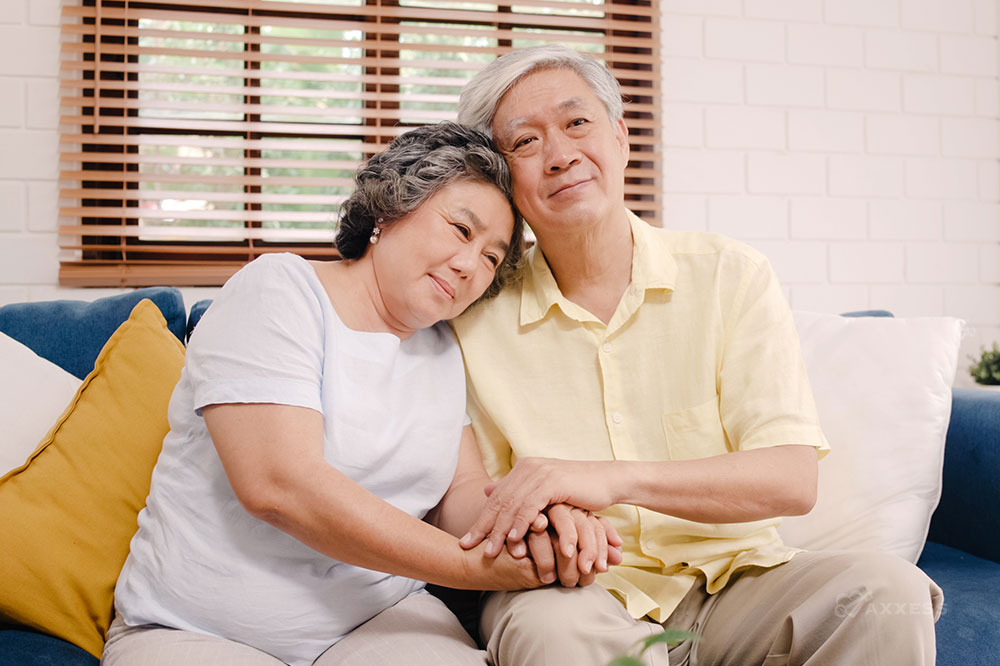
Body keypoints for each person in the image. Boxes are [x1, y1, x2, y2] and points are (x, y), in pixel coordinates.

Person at [452, 45, 944, 665]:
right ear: (503, 178)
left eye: (577, 123)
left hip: (737, 580)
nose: (561, 155)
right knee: (553, 634)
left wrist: (609, 479)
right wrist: (540, 520)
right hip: (573, 591)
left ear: (621, 137)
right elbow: (462, 499)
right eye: (525, 142)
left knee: (887, 592)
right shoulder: (471, 311)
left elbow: (790, 479)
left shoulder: (728, 275)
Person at [102, 122, 620, 666]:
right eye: (461, 231)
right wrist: (469, 569)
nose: (471, 266)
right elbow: (279, 486)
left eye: (492, 258)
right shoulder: (280, 290)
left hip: (374, 619)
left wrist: (535, 528)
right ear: (390, 209)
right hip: (200, 628)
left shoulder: (443, 347)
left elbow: (458, 497)